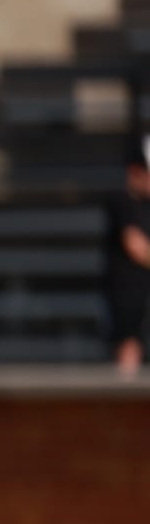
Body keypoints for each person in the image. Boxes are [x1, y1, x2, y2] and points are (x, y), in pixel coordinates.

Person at [102, 138, 150, 376]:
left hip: (141, 296)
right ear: (136, 171)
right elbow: (136, 246)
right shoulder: (123, 202)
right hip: (127, 297)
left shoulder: (143, 205)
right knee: (129, 352)